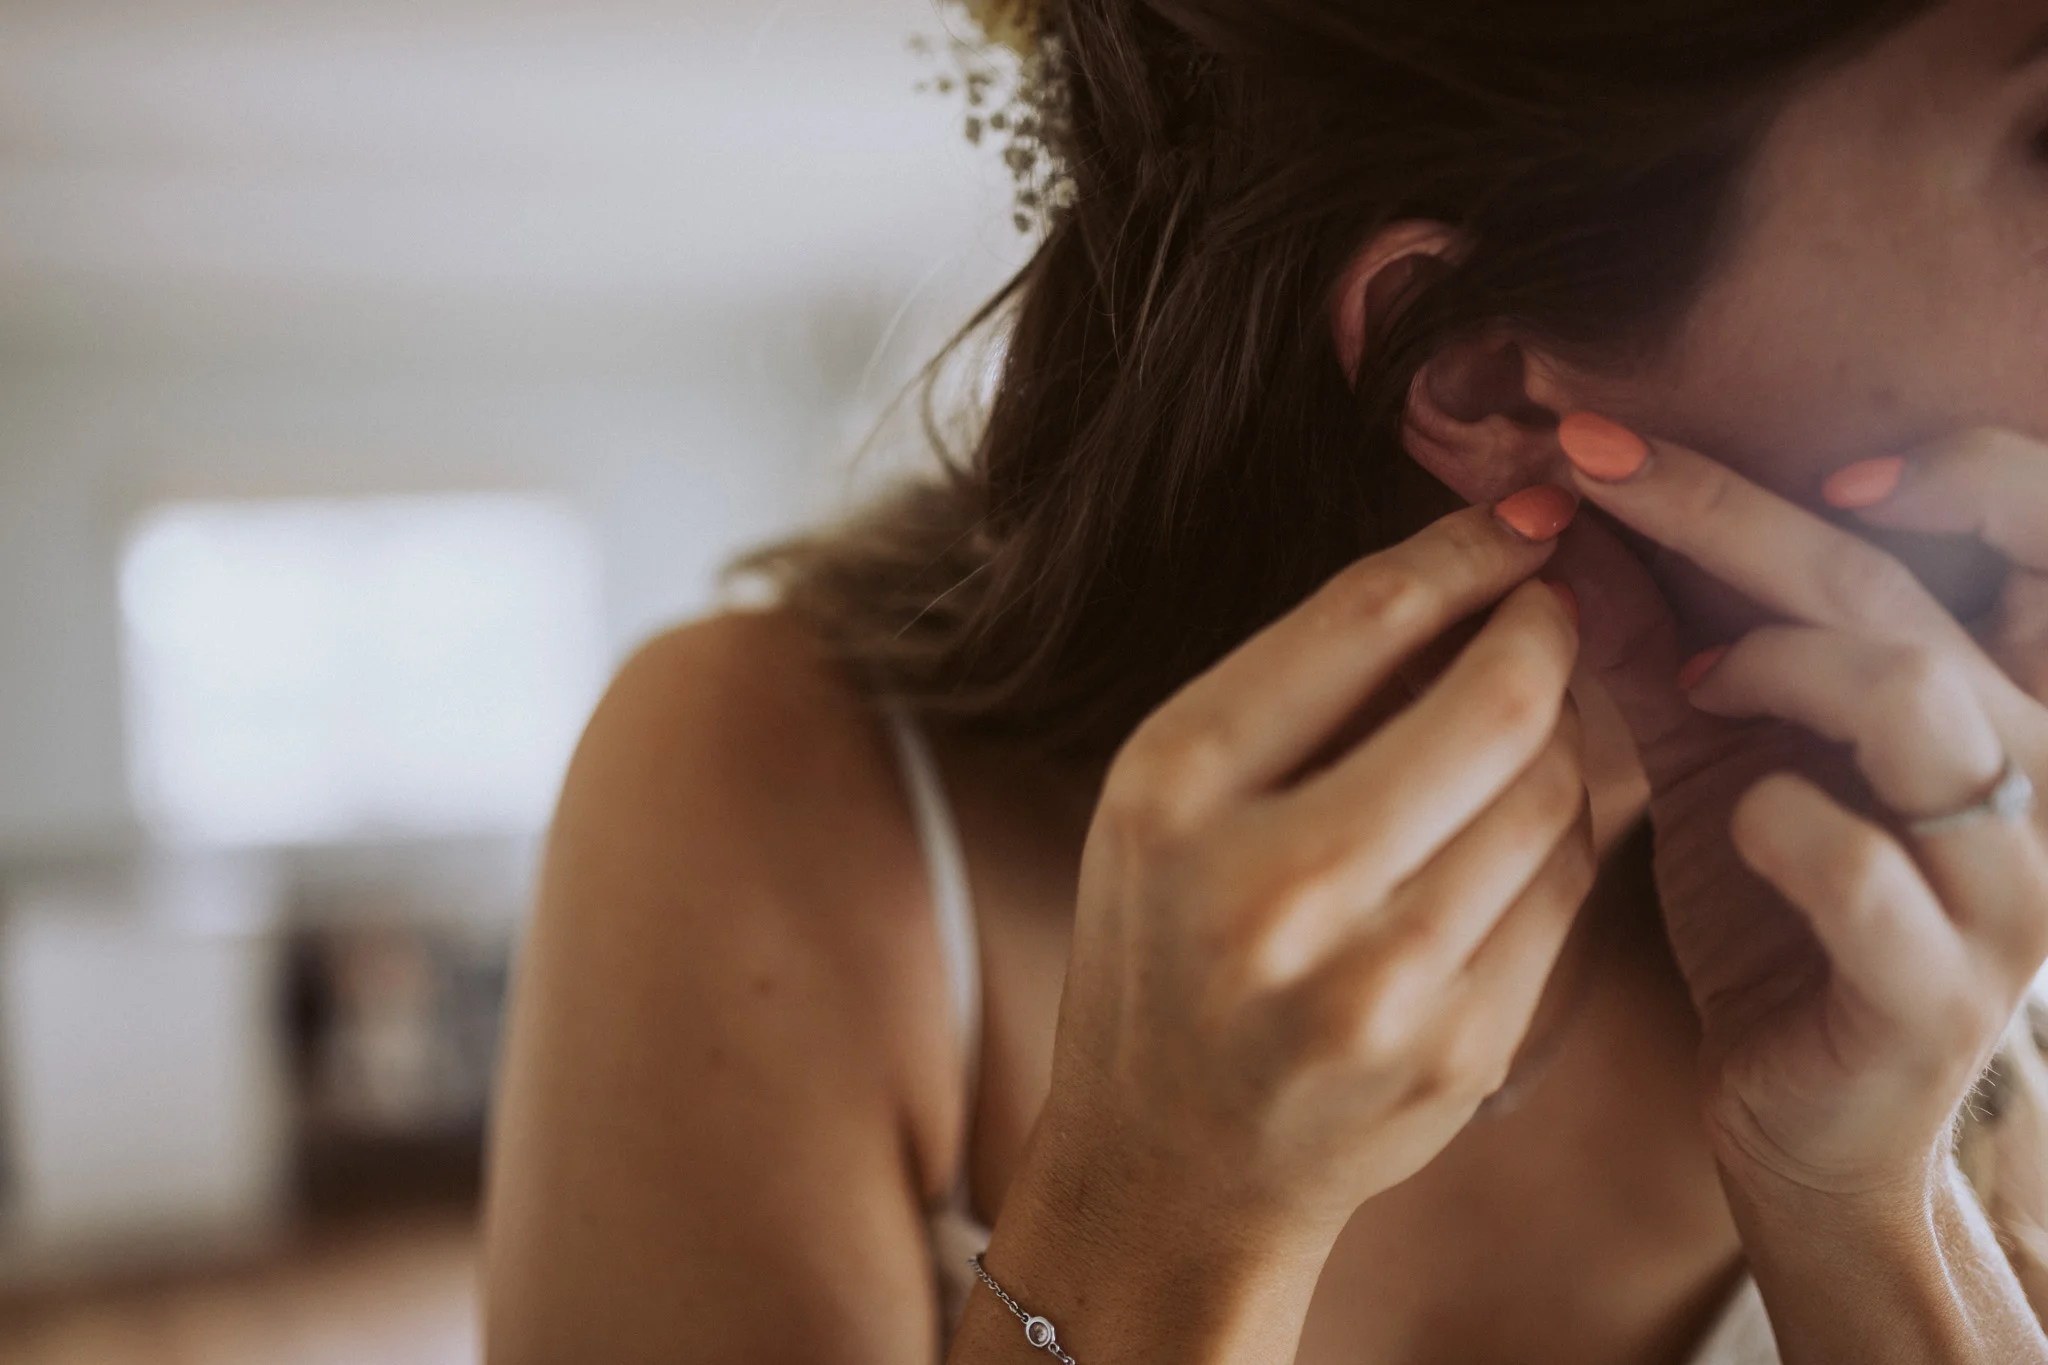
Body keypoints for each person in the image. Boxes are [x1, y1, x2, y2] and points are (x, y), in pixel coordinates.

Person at [480, 0, 2048, 1360]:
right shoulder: (763, 782)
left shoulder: (1951, 871)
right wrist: (1159, 1214)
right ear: (1487, 379)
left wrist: (1869, 1191)